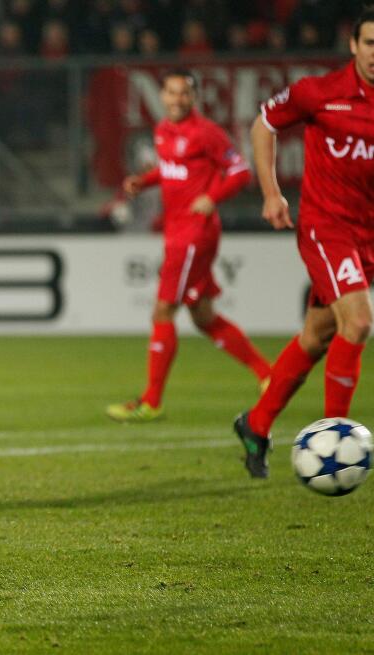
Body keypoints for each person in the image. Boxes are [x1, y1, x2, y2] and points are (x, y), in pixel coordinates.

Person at [234, 8, 374, 479]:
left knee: (317, 335)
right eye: (370, 43)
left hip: (367, 237)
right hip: (325, 225)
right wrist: (272, 193)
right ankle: (336, 439)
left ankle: (255, 424)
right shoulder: (320, 92)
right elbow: (263, 125)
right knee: (357, 321)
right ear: (353, 45)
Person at [107, 70, 270, 423]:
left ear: (194, 98)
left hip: (193, 236)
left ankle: (151, 401)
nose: (177, 100)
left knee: (162, 312)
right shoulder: (163, 130)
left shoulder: (206, 133)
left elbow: (241, 172)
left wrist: (212, 198)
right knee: (203, 316)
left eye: (184, 94)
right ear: (162, 96)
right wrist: (143, 181)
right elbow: (171, 171)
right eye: (171, 93)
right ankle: (267, 374)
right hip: (179, 232)